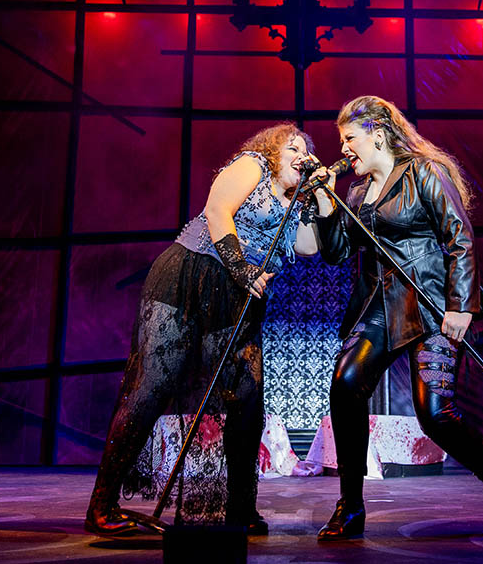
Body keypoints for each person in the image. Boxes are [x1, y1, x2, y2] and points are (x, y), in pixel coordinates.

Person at [85, 123, 317, 537]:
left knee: (246, 399)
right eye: (293, 147)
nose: (301, 154)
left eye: (306, 149)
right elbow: (217, 211)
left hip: (237, 297)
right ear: (273, 151)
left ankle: (241, 508)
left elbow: (310, 246)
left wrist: (316, 193)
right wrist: (242, 266)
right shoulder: (254, 165)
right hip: (190, 276)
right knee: (152, 386)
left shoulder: (295, 204)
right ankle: (101, 506)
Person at [308, 96, 483, 540]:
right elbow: (336, 252)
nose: (344, 148)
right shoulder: (355, 192)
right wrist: (325, 203)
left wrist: (461, 304)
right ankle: (350, 507)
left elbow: (459, 235)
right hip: (379, 310)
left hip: (428, 305)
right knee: (346, 386)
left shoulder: (423, 172)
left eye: (350, 138)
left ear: (378, 135)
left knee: (435, 415)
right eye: (341, 140)